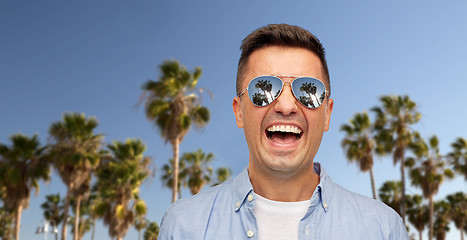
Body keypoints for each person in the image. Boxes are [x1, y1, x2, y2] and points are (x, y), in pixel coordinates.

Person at [158, 24, 409, 240]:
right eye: (263, 89)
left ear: (327, 114)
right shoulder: (183, 226)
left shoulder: (383, 228)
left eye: (308, 90)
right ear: (239, 112)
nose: (286, 106)